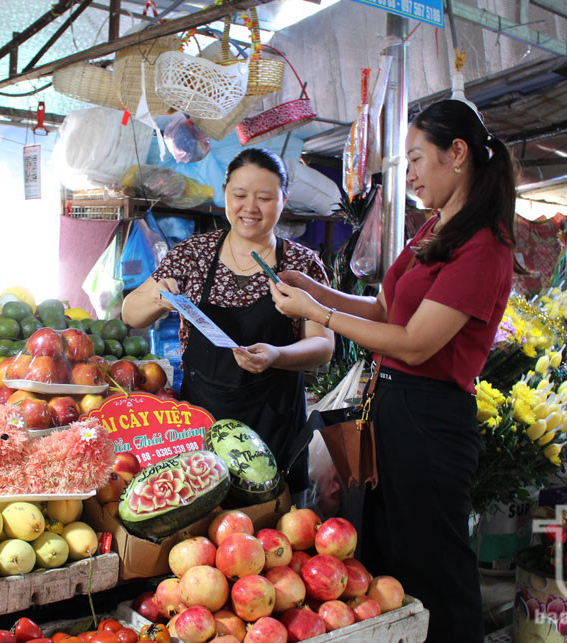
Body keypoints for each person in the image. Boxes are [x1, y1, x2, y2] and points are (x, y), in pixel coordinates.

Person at [269, 99, 516, 642]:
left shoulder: (483, 247)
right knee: (385, 560)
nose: (410, 174)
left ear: (458, 154)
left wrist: (318, 314)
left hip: (431, 420)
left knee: (436, 568)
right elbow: (383, 311)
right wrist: (313, 289)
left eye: (416, 158)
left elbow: (413, 344)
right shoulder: (434, 229)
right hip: (390, 409)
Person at [121, 149, 334, 484]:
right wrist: (157, 297)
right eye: (239, 195)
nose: (250, 208)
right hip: (202, 418)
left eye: (264, 197)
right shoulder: (193, 255)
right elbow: (130, 314)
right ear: (225, 194)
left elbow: (322, 346)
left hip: (274, 423)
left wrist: (277, 355)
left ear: (284, 199)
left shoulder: (301, 264)